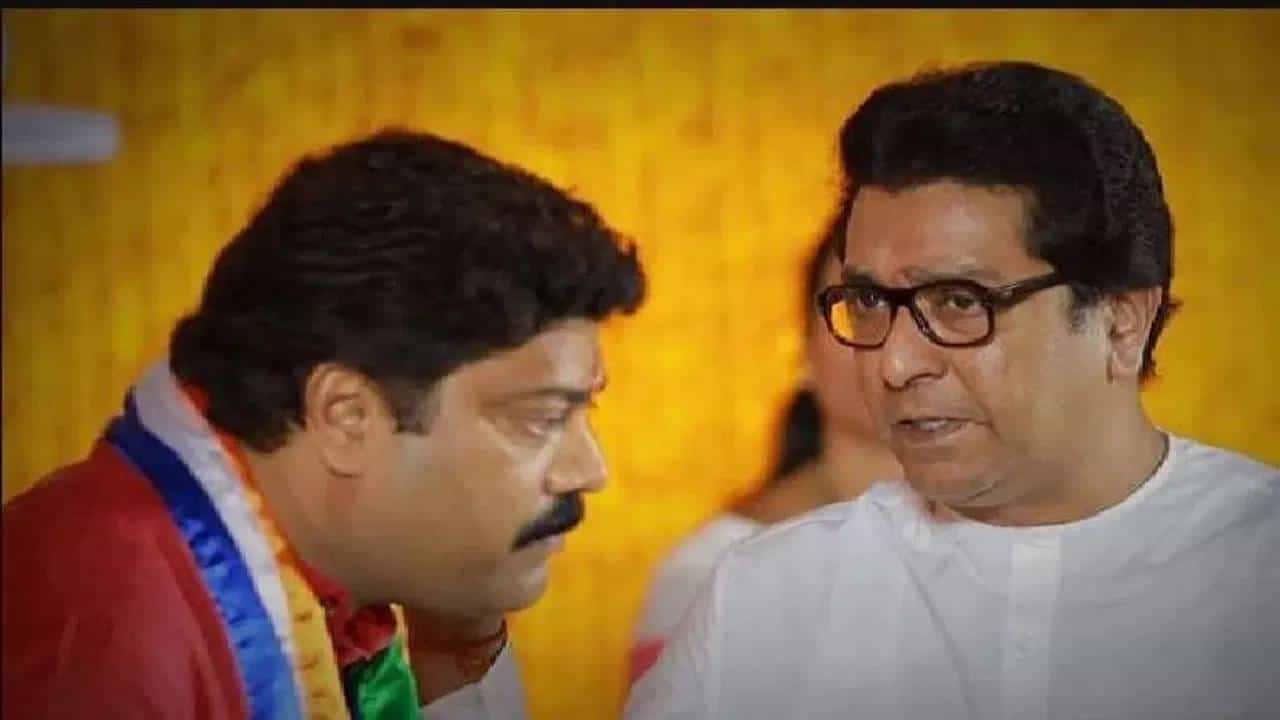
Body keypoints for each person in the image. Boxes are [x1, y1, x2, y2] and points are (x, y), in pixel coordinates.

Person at [625, 60, 1280, 720]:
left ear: (1121, 321)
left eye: (960, 301)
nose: (894, 363)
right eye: (868, 302)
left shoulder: (1260, 570)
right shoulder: (763, 597)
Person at [2, 129, 646, 719]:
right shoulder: (99, 636)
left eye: (583, 411)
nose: (590, 471)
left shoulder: (339, 597)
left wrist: (456, 658)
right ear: (346, 417)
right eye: (542, 419)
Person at [627, 230, 900, 684]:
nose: (900, 346)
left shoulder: (1009, 551)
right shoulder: (714, 573)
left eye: (944, 306)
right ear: (804, 348)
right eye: (864, 306)